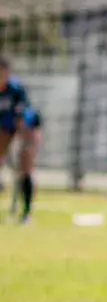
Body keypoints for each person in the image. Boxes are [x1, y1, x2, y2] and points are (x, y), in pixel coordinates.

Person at [0, 55, 42, 224]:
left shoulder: (16, 90)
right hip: (6, 127)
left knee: (25, 166)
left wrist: (20, 146)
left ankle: (26, 213)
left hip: (27, 128)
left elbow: (21, 120)